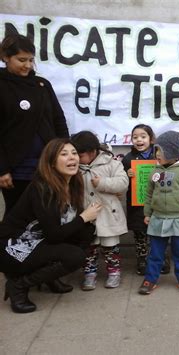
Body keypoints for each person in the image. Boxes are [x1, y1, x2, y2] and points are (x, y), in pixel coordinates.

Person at [0, 138, 100, 313]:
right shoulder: (43, 188)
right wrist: (83, 217)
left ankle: (48, 277)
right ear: (51, 162)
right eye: (64, 154)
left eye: (74, 153)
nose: (72, 158)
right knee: (75, 255)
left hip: (39, 240)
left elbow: (62, 228)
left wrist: (84, 221)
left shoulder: (72, 184)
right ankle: (18, 285)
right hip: (13, 247)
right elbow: (54, 235)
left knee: (87, 231)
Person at [0, 34, 69, 214]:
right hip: (16, 169)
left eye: (31, 60)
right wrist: (2, 169)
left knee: (48, 213)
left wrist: (65, 154)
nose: (28, 65)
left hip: (47, 165)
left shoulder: (42, 85)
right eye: (21, 60)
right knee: (17, 214)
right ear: (6, 57)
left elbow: (58, 121)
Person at [138, 131, 179, 295]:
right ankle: (151, 279)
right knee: (155, 253)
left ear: (171, 152)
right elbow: (148, 193)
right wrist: (147, 213)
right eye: (156, 150)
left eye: (160, 150)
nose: (157, 154)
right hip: (158, 218)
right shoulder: (155, 171)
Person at [71, 131, 129, 290]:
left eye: (80, 155)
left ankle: (114, 272)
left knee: (110, 246)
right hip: (86, 216)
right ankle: (89, 273)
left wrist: (102, 183)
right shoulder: (75, 167)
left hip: (108, 214)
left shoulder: (111, 163)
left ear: (92, 152)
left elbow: (123, 182)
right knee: (89, 248)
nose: (76, 158)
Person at [122, 124, 162, 275]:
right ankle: (142, 259)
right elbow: (121, 181)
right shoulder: (128, 159)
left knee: (158, 233)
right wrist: (127, 174)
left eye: (143, 136)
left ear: (151, 139)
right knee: (140, 234)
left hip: (157, 203)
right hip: (137, 204)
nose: (139, 140)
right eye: (135, 137)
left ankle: (159, 258)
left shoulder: (159, 155)